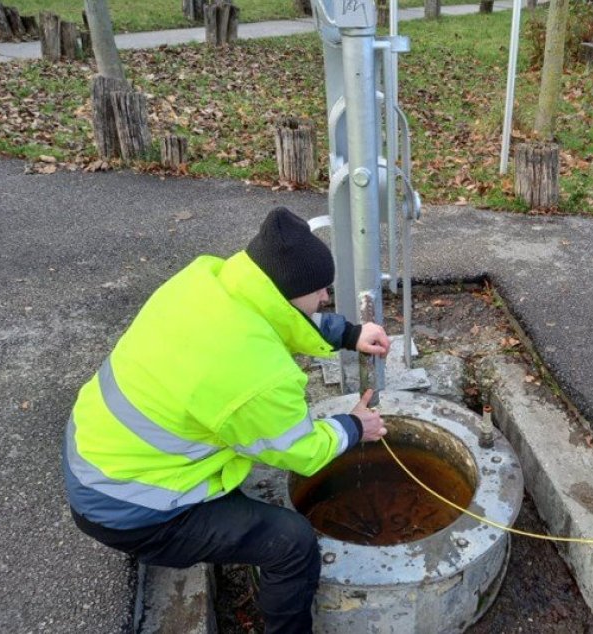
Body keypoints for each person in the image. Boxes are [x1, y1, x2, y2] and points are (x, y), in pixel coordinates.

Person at [62, 207, 391, 634]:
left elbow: (277, 317)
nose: (326, 297)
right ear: (290, 294)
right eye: (320, 291)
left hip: (95, 451)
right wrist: (353, 426)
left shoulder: (208, 280)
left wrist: (349, 334)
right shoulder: (257, 376)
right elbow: (302, 452)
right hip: (131, 509)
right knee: (291, 544)